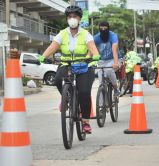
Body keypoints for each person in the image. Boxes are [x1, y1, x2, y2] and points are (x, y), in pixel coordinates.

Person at [38, 5, 100, 134]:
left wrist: (95, 56)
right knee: (57, 80)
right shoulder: (63, 33)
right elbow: (53, 46)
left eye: (75, 16)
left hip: (84, 65)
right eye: (70, 17)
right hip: (67, 64)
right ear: (67, 19)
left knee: (84, 92)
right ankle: (67, 99)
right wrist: (43, 56)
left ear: (79, 18)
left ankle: (86, 122)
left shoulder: (85, 33)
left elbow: (92, 46)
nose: (72, 19)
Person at [93, 21, 121, 97]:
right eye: (101, 28)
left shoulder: (113, 36)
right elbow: (91, 49)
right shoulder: (96, 37)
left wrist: (115, 63)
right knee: (101, 83)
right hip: (102, 61)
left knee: (109, 70)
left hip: (114, 59)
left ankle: (115, 88)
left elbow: (114, 50)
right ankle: (101, 107)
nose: (103, 30)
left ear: (108, 28)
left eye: (105, 28)